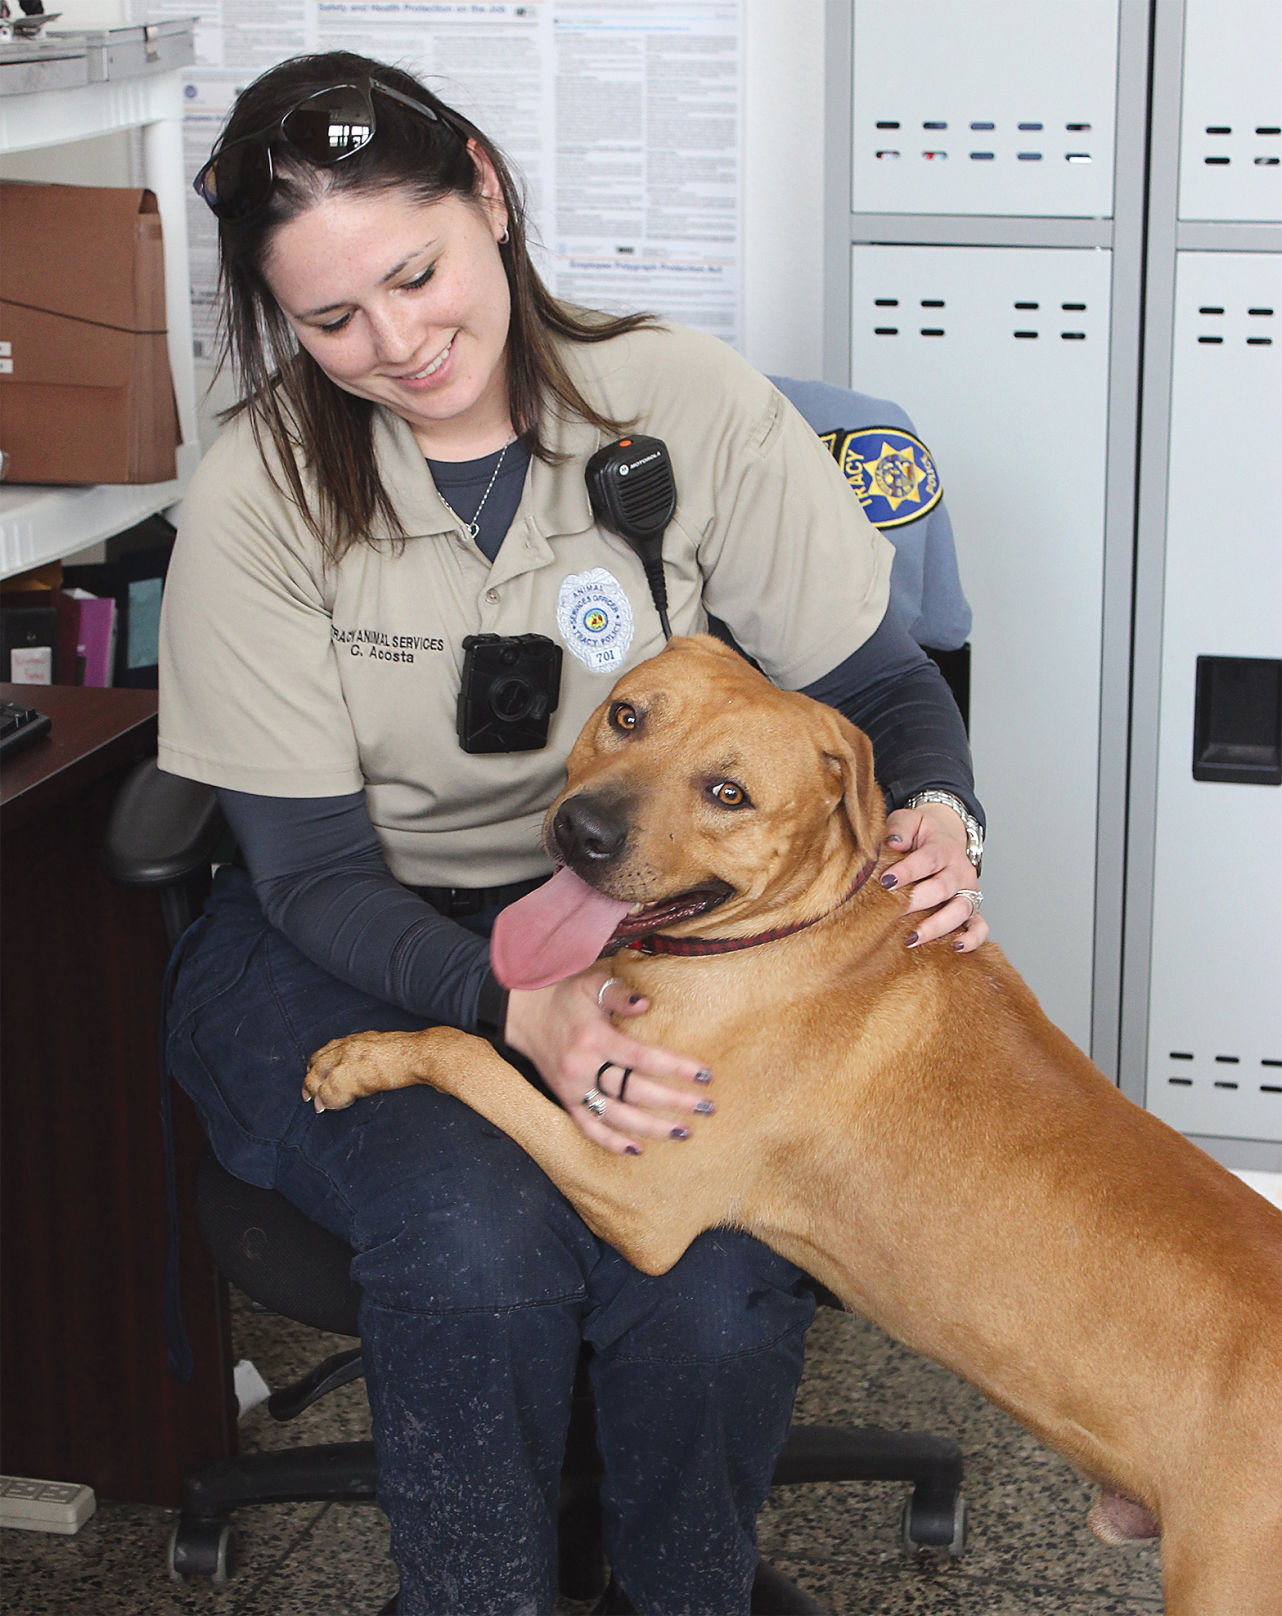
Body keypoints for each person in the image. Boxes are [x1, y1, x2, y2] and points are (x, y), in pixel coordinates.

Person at [159, 50, 988, 1616]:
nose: (396, 343)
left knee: (716, 1268)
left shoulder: (676, 399)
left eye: (415, 274)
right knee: (471, 1239)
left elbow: (877, 685)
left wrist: (936, 810)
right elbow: (313, 871)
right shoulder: (259, 491)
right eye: (332, 321)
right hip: (343, 940)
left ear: (487, 189)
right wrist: (515, 1010)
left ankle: (689, 1593)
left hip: (650, 926)